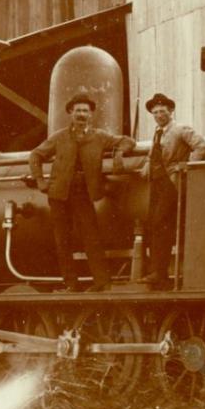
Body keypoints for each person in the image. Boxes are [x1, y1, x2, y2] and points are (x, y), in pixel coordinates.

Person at [25, 95, 134, 291]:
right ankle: (71, 284)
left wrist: (118, 154)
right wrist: (40, 180)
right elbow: (35, 155)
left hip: (83, 193)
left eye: (85, 111)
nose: (81, 114)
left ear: (91, 114)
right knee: (62, 240)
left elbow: (128, 141)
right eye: (77, 111)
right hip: (58, 194)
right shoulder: (59, 137)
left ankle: (102, 283)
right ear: (70, 113)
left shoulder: (99, 136)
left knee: (91, 238)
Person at [140, 92, 205, 289]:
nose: (159, 115)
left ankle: (159, 272)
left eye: (162, 111)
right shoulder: (157, 132)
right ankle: (157, 273)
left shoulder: (180, 130)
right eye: (155, 112)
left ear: (171, 111)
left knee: (161, 222)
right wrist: (146, 165)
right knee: (154, 223)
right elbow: (153, 154)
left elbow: (201, 146)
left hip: (172, 182)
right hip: (157, 183)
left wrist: (187, 166)